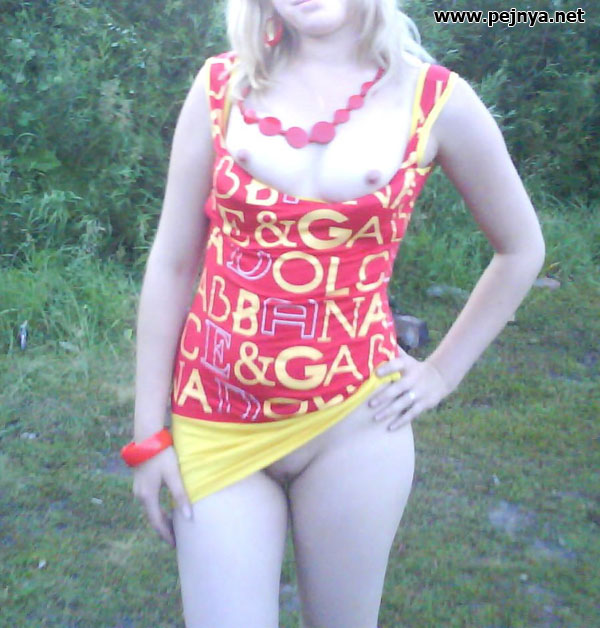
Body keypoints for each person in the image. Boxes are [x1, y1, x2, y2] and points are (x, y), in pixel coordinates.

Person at [124, 1, 545, 626]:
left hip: (354, 424)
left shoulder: (434, 99)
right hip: (214, 418)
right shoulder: (221, 86)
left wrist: (441, 372)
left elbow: (521, 248)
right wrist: (147, 436)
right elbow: (173, 262)